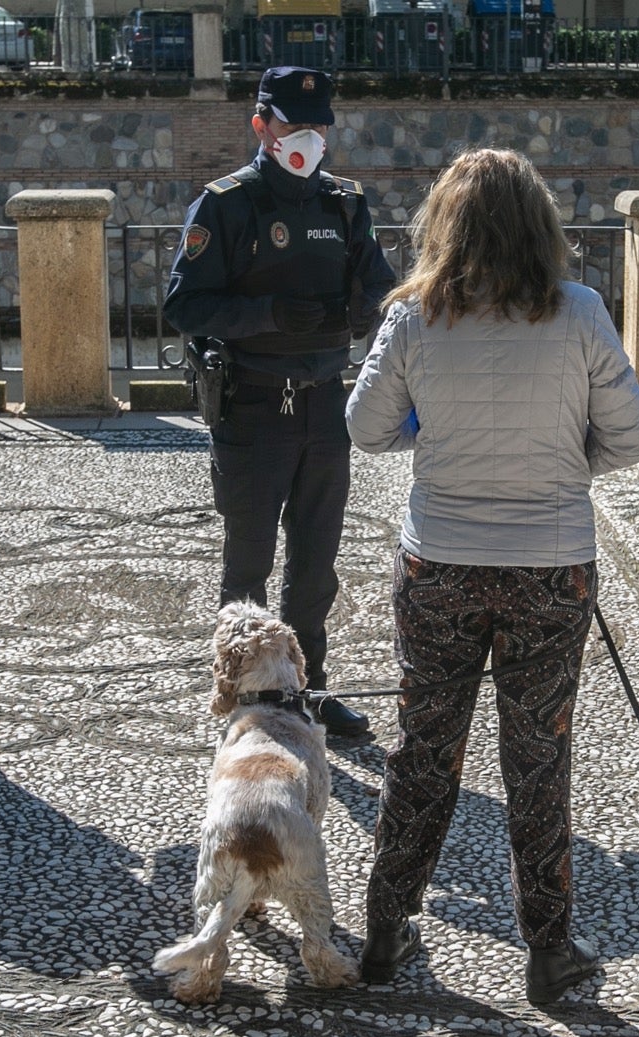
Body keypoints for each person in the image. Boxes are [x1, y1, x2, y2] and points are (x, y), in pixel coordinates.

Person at [345, 148, 639, 1006]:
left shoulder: (412, 318)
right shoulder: (583, 313)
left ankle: (385, 930)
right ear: (540, 225)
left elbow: (365, 428)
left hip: (438, 561)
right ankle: (549, 952)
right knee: (538, 758)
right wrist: (564, 466)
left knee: (422, 751)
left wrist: (431, 442)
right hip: (549, 569)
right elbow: (632, 438)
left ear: (444, 224)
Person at [163, 66, 397, 738]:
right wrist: (267, 314)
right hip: (254, 406)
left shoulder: (344, 204)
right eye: (294, 125)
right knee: (248, 566)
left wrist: (364, 307)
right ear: (261, 125)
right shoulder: (226, 204)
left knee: (316, 563)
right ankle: (243, 698)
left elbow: (379, 288)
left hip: (324, 405)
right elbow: (185, 304)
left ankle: (309, 690)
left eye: (318, 125)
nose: (309, 137)